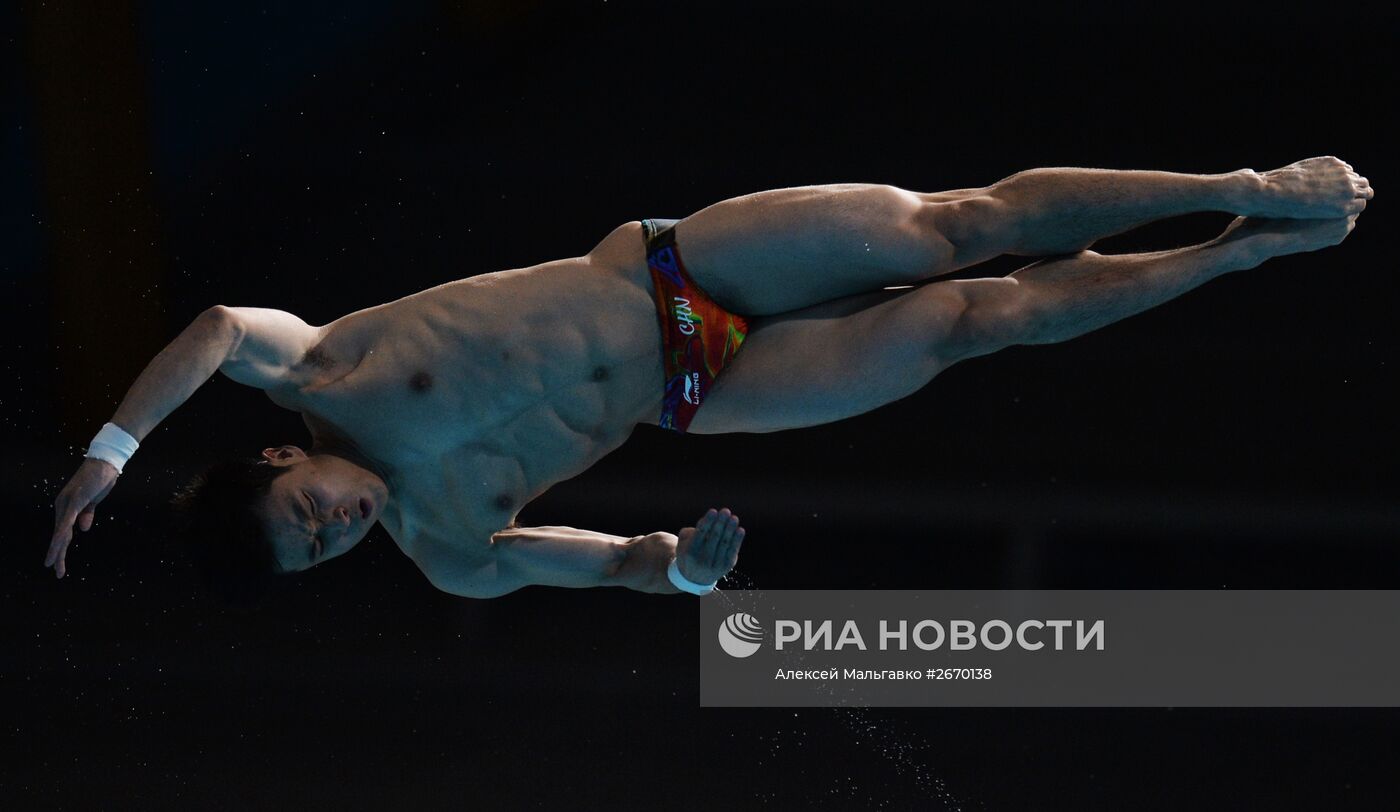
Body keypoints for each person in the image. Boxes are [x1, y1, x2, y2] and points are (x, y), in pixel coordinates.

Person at [46, 157, 1372, 604]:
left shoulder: (330, 367)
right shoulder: (446, 548)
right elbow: (609, 565)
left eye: (304, 515)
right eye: (323, 555)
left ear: (281, 458)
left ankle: (1239, 184)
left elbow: (219, 324)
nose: (337, 528)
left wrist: (112, 446)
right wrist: (676, 565)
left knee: (956, 229)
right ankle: (1231, 255)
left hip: (674, 277)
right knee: (974, 323)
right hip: (698, 392)